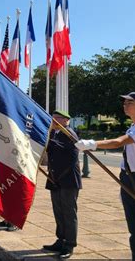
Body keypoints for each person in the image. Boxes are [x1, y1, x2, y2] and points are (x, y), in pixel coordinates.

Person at [75, 92, 135, 260]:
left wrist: (93, 144)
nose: (125, 105)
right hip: (130, 178)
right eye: (124, 102)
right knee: (134, 229)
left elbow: (118, 142)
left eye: (130, 102)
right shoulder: (134, 126)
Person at [43, 110, 81, 259]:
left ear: (66, 121)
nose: (54, 121)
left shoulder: (70, 134)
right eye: (53, 119)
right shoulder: (56, 133)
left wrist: (47, 135)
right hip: (55, 178)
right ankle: (61, 239)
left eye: (58, 119)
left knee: (69, 213)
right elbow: (49, 149)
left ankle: (70, 244)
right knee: (58, 211)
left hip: (68, 179)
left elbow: (63, 149)